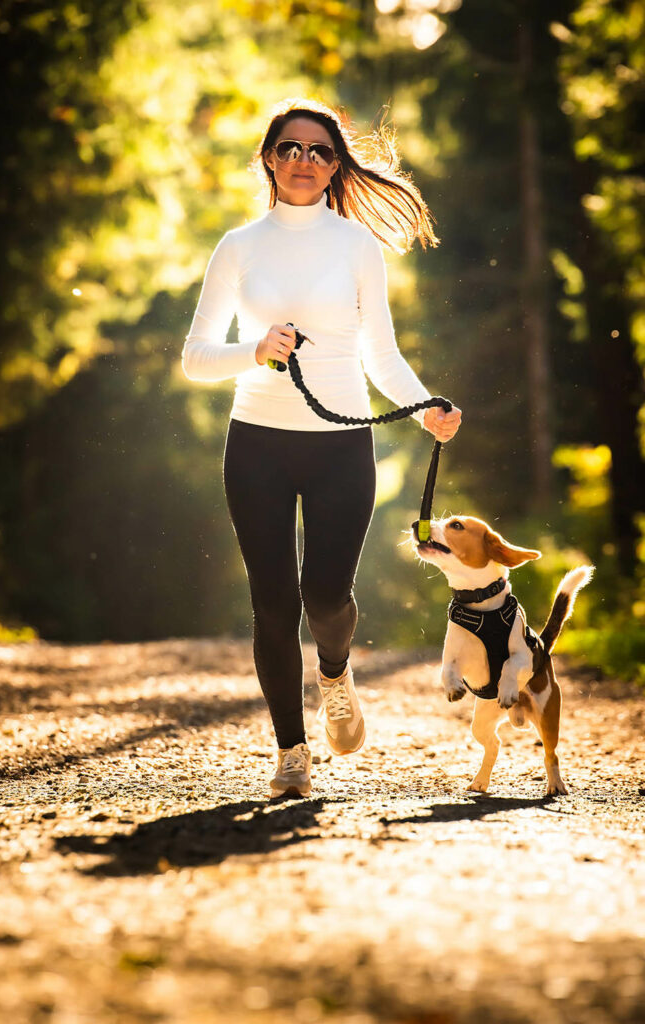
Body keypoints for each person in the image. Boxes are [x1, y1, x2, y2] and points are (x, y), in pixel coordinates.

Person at [182, 98, 462, 799]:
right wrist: (255, 349)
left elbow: (382, 353)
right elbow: (194, 357)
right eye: (291, 148)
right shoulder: (239, 246)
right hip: (256, 446)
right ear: (269, 157)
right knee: (273, 602)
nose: (305, 161)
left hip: (341, 445)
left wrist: (425, 403)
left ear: (336, 166)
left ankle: (334, 671)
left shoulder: (355, 245)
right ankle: (290, 752)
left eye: (320, 151)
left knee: (326, 595)